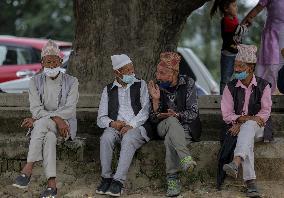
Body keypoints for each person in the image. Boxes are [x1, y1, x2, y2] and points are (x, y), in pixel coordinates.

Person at [13, 40, 79, 198]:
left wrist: (46, 119)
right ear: (42, 63)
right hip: (50, 127)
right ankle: (51, 186)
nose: (51, 65)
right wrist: (56, 118)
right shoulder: (34, 81)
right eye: (47, 62)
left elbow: (70, 109)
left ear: (61, 62)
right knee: (49, 137)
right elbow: (35, 109)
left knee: (41, 123)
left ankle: (28, 168)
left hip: (65, 126)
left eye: (54, 61)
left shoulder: (72, 81)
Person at [217, 44, 272, 197]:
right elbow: (227, 114)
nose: (236, 69)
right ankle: (251, 183)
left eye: (240, 66)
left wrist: (245, 122)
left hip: (260, 127)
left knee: (249, 126)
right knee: (247, 134)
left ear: (250, 67)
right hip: (242, 128)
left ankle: (236, 162)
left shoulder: (264, 85)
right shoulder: (230, 87)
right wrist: (244, 120)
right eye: (235, 65)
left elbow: (265, 112)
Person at [96, 54, 153, 197]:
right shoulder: (108, 89)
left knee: (128, 139)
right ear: (117, 73)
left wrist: (131, 125)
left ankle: (118, 182)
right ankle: (106, 177)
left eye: (132, 69)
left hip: (137, 126)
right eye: (127, 71)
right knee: (106, 138)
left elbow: (145, 110)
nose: (131, 73)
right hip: (116, 126)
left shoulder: (141, 85)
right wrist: (112, 123)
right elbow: (101, 117)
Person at [148, 52, 201, 197]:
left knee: (170, 138)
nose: (158, 77)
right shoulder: (156, 86)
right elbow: (152, 119)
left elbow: (193, 113)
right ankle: (185, 158)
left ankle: (172, 180)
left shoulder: (188, 83)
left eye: (162, 73)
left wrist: (177, 115)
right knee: (171, 122)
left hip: (185, 128)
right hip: (162, 126)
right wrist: (155, 101)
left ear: (173, 73)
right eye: (157, 72)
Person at [242, 0, 284, 94]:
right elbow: (257, 9)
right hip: (272, 35)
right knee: (271, 65)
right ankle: (265, 93)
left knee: (281, 65)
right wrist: (244, 23)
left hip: (282, 37)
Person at [210, 0, 248, 94]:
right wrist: (245, 27)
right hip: (228, 55)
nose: (236, 7)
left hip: (237, 54)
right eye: (234, 5)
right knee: (226, 78)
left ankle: (239, 95)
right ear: (226, 9)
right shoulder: (226, 21)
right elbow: (240, 30)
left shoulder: (234, 19)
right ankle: (223, 97)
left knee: (240, 76)